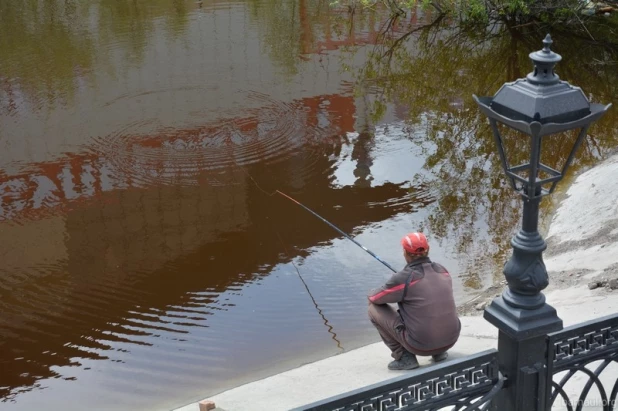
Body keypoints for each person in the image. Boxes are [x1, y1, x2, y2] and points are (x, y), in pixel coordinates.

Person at [367, 232, 461, 370]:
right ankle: (439, 353)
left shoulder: (403, 278)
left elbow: (375, 298)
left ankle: (404, 357)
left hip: (420, 346)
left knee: (373, 309)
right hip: (451, 340)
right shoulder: (443, 270)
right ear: (428, 249)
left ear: (405, 252)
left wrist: (394, 281)